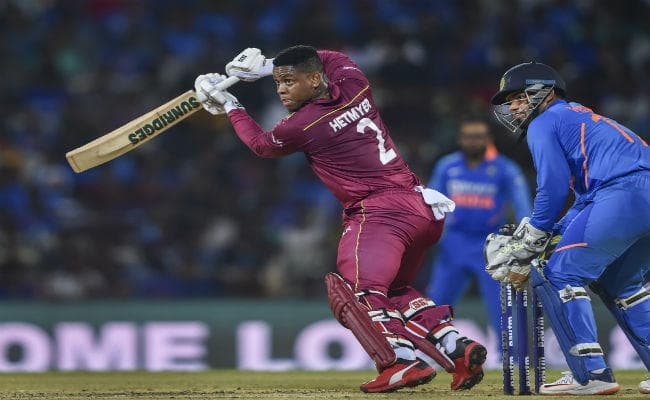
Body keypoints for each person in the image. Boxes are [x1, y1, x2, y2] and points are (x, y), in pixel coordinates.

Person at [193, 45, 487, 393]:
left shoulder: (304, 124)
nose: (281, 90)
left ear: (314, 79)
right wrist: (267, 66)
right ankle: (456, 347)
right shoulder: (354, 83)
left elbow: (262, 145)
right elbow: (333, 57)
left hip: (379, 214)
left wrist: (231, 105)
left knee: (359, 292)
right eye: (277, 83)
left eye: (289, 81)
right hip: (420, 208)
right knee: (394, 291)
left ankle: (400, 361)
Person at [484, 61, 650, 395]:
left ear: (544, 92)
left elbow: (553, 187)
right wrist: (556, 228)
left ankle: (590, 374)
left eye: (518, 98)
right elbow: (587, 198)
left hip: (623, 195)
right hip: (633, 195)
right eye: (510, 102)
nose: (513, 108)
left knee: (559, 274)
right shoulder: (575, 117)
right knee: (621, 282)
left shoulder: (544, 122)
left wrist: (534, 235)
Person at [426, 116, 531, 361]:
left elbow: (523, 206)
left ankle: (510, 357)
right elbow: (430, 202)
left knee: (501, 305)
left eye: (479, 137)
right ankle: (427, 353)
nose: (474, 141)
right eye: (469, 137)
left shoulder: (505, 169)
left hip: (491, 244)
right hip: (454, 242)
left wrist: (527, 239)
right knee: (437, 302)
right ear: (460, 140)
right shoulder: (447, 166)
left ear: (488, 139)